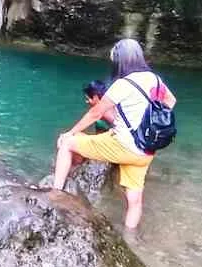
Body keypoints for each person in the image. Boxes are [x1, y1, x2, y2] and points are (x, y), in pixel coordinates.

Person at [52, 38, 176, 230]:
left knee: (68, 143)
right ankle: (130, 237)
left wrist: (70, 132)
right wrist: (146, 122)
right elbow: (171, 101)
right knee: (134, 201)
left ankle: (55, 193)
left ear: (121, 61)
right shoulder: (155, 80)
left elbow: (96, 113)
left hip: (124, 145)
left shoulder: (123, 84)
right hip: (146, 151)